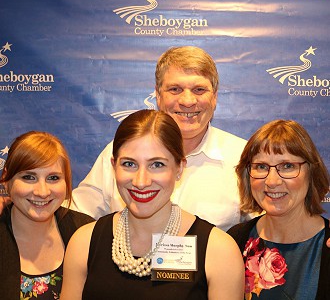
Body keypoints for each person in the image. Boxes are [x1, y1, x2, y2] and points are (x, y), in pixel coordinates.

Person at [60, 110, 244, 300]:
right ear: (113, 166)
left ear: (179, 168)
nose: (141, 181)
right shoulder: (84, 243)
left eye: (157, 165)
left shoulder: (219, 252)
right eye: (129, 164)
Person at [71, 45, 248, 231]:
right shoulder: (122, 152)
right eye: (175, 89)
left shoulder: (242, 157)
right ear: (157, 95)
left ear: (215, 97)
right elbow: (77, 219)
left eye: (199, 90)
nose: (187, 101)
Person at [227, 119, 330, 300]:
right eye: (261, 167)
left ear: (311, 173)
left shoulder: (327, 245)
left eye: (287, 166)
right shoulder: (236, 241)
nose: (272, 181)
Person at [0, 131, 94, 300]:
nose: (42, 192)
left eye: (53, 178)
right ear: (7, 179)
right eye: (29, 177)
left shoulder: (87, 233)